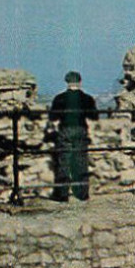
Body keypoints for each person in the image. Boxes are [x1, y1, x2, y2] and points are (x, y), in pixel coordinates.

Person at [47, 71, 99, 201]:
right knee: (81, 161)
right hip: (81, 129)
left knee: (63, 162)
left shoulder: (59, 98)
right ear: (80, 82)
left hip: (65, 129)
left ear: (67, 82)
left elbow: (53, 117)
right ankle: (82, 193)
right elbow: (94, 116)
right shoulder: (87, 98)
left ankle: (62, 194)